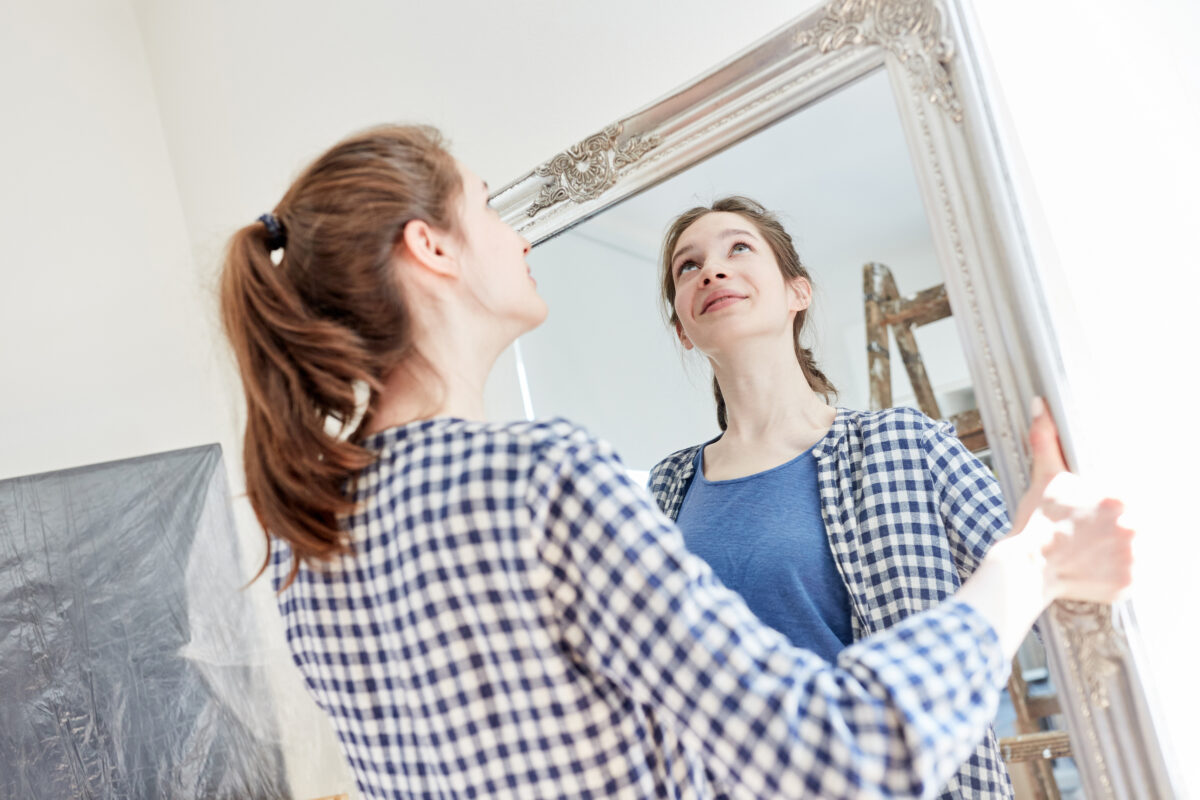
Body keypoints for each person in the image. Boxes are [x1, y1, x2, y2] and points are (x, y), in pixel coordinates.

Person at [219, 126, 1133, 800]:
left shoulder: (307, 540)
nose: (519, 237)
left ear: (795, 290)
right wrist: (1033, 563)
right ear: (431, 247)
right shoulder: (546, 480)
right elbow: (843, 750)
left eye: (740, 251)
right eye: (491, 208)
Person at [649, 196, 1042, 798]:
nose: (712, 270)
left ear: (797, 293)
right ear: (682, 328)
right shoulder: (664, 493)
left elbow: (1043, 599)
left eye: (739, 249)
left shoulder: (904, 445)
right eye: (688, 266)